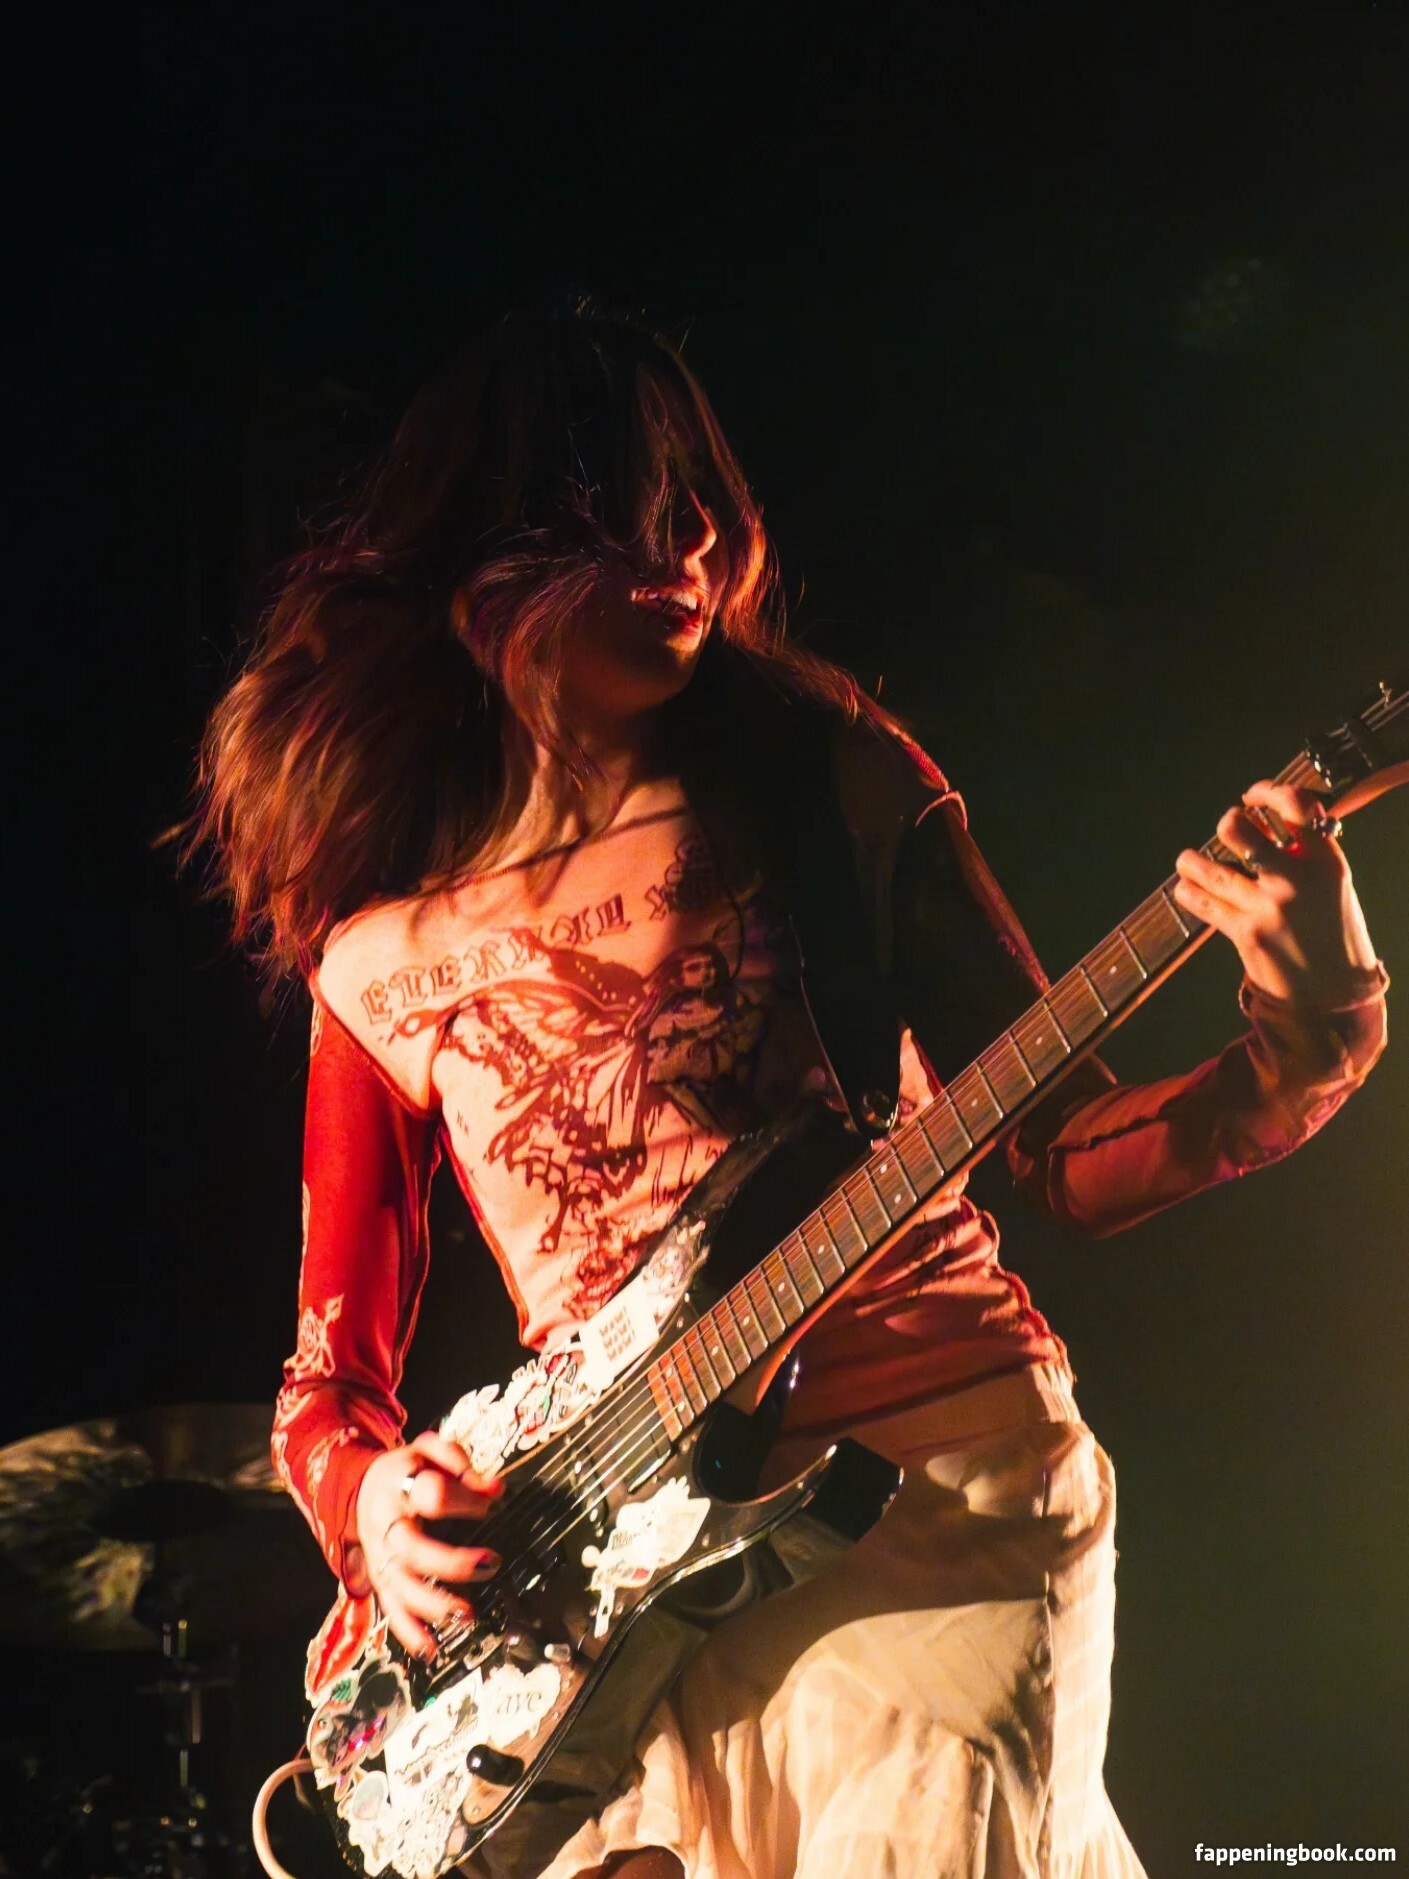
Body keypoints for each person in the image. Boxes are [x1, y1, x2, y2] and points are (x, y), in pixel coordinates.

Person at [189, 303, 1388, 1879]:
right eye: (626, 502)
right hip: (600, 1589)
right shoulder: (372, 950)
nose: (690, 540)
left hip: (935, 1493)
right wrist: (373, 1507)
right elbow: (325, 1378)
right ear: (483, 554)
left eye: (701, 497)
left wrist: (1311, 1019)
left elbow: (1064, 1155)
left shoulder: (827, 775)